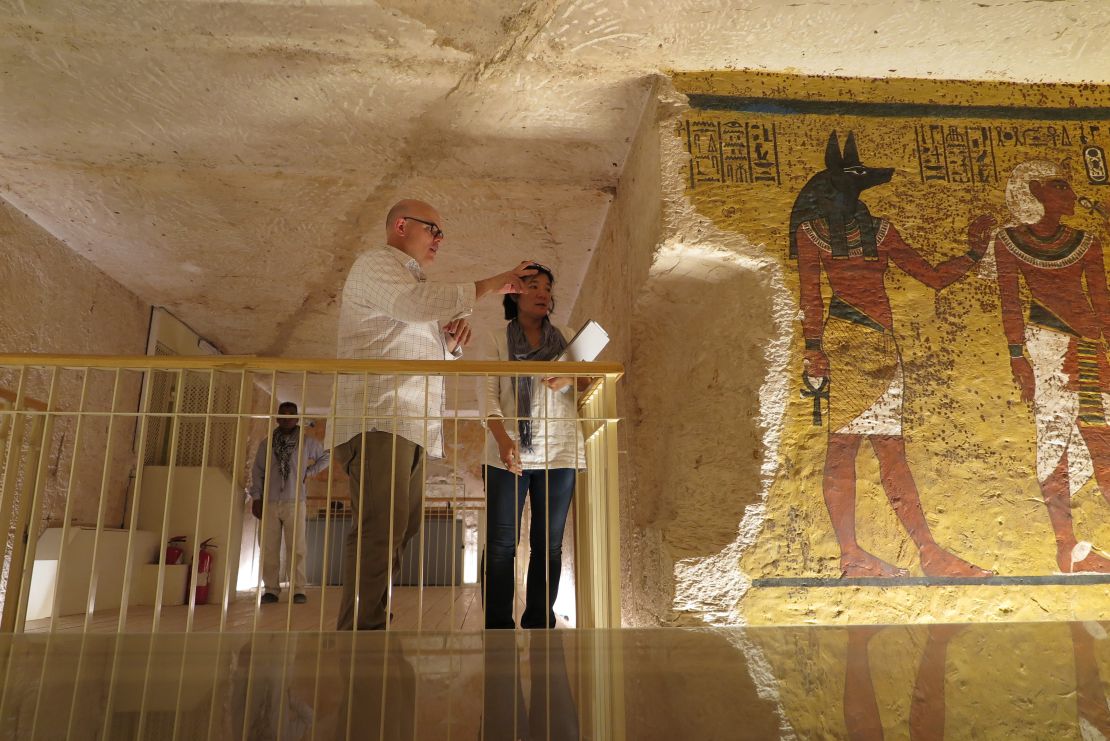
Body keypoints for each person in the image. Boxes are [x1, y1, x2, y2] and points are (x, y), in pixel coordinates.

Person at [332, 198, 539, 630]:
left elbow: (415, 341)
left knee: (400, 527)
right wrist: (490, 284)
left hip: (407, 423)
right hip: (379, 418)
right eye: (434, 230)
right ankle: (361, 630)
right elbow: (412, 306)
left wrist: (448, 345)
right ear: (402, 225)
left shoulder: (412, 285)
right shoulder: (376, 265)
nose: (440, 240)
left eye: (442, 233)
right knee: (380, 528)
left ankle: (370, 616)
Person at [794, 131, 994, 578]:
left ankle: (916, 553)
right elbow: (809, 295)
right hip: (848, 342)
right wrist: (813, 351)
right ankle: (866, 555)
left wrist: (974, 253)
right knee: (851, 449)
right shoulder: (813, 234)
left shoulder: (879, 230)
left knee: (881, 450)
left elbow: (934, 277)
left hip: (879, 345)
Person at [983, 159, 1110, 573]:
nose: (1071, 194)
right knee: (1054, 441)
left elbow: (1103, 302)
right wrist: (1018, 357)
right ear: (1034, 193)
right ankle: (1066, 548)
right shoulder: (1008, 241)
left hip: (1089, 348)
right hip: (1046, 349)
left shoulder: (1087, 241)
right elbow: (1009, 302)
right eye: (1061, 186)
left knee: (1101, 440)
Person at [482, 265, 589, 629]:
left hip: (560, 451)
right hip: (508, 452)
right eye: (533, 286)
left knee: (549, 545)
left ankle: (539, 621)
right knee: (501, 544)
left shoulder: (568, 337)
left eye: (547, 287)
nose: (543, 292)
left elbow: (588, 386)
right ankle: (497, 625)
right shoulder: (497, 340)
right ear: (515, 294)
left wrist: (570, 377)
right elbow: (489, 399)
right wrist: (502, 439)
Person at [249, 401, 330, 604]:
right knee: (268, 547)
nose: (286, 418)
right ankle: (271, 589)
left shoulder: (306, 442)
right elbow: (258, 470)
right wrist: (257, 497)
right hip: (269, 501)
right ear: (277, 417)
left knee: (297, 547)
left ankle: (298, 589)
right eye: (282, 414)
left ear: (296, 418)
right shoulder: (267, 444)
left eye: (290, 414)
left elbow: (325, 457)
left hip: (295, 500)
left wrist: (308, 472)